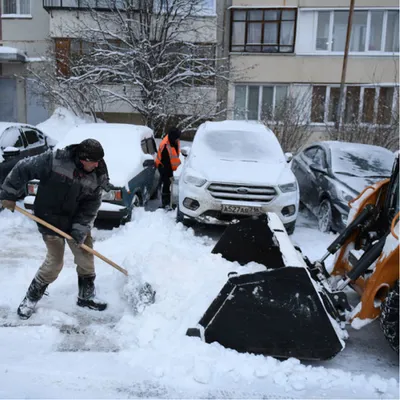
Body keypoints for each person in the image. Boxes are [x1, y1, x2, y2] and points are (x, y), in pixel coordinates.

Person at [0, 139, 110, 320]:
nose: (97, 165)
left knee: (85, 256)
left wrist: (80, 229)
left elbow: (91, 206)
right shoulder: (55, 160)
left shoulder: (97, 176)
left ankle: (86, 296)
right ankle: (30, 298)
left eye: (99, 161)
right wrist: (9, 193)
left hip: (75, 219)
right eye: (94, 161)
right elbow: (23, 167)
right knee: (55, 262)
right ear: (83, 158)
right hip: (49, 218)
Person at [155, 127, 182, 209]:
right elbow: (166, 162)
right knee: (166, 184)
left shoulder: (174, 141)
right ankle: (165, 203)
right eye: (177, 137)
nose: (178, 139)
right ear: (173, 137)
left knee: (169, 183)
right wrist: (169, 174)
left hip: (169, 166)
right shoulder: (165, 145)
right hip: (163, 166)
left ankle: (169, 201)